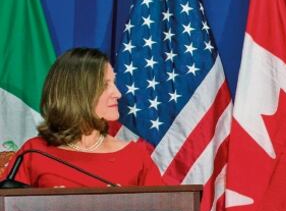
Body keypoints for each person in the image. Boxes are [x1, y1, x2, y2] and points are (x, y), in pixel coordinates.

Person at [0, 48, 164, 188]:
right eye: (105, 84)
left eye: (113, 83)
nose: (117, 93)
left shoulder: (134, 156)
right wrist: (45, 205)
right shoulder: (34, 153)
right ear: (77, 93)